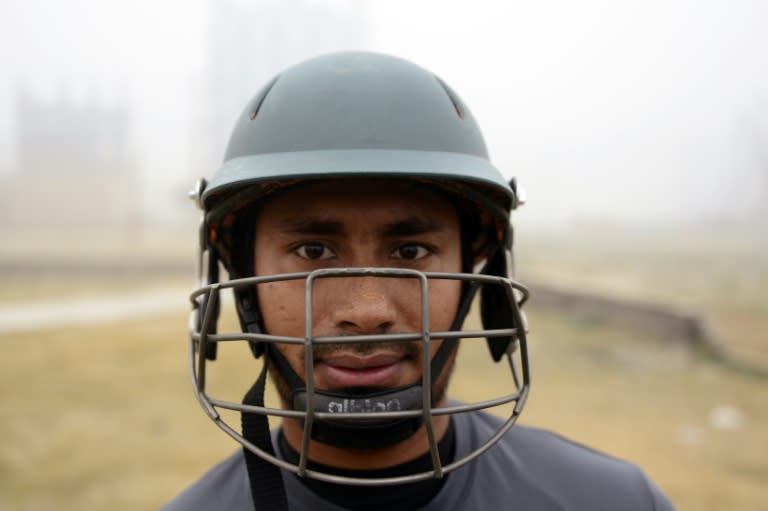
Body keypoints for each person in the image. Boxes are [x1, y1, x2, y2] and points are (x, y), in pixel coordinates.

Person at [163, 51, 675, 510]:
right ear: (243, 278)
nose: (366, 311)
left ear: (478, 271)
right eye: (313, 251)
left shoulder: (614, 500)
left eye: (411, 252)